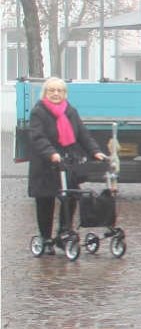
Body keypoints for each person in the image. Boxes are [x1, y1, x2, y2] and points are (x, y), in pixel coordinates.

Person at [27, 77, 107, 252]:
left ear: (65, 94)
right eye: (52, 90)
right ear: (45, 93)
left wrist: (95, 151)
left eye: (60, 91)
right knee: (45, 201)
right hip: (46, 165)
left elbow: (83, 134)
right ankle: (46, 239)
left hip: (67, 163)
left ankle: (63, 234)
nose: (56, 94)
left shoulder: (70, 111)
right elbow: (37, 137)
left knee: (70, 199)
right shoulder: (38, 112)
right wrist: (51, 153)